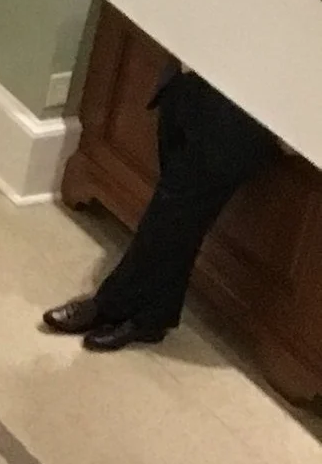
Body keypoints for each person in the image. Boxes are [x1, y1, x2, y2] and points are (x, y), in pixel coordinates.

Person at [45, 65, 278, 354]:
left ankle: (111, 303)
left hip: (251, 108)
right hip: (194, 79)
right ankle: (153, 317)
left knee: (173, 209)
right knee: (180, 218)